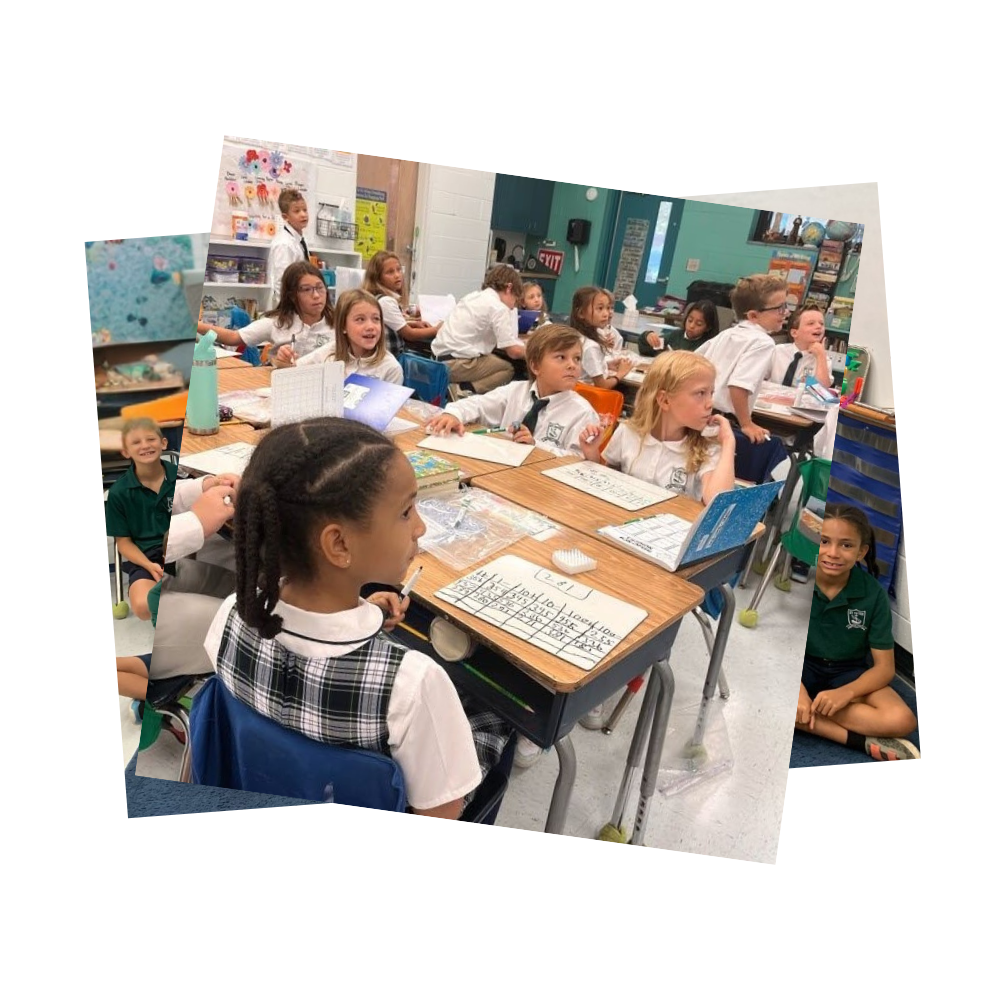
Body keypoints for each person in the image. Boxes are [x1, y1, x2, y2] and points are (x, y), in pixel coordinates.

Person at [202, 418, 515, 819]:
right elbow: (442, 811)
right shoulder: (411, 683)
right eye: (406, 512)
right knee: (500, 717)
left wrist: (365, 611)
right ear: (339, 544)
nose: (420, 527)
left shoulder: (233, 613)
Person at [798, 505, 919, 760]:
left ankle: (806, 710)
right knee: (768, 695)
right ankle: (854, 739)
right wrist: (797, 691)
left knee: (903, 720)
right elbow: (778, 650)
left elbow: (884, 668)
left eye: (846, 545)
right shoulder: (800, 580)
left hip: (848, 671)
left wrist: (847, 693)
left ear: (861, 551)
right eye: (824, 541)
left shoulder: (873, 593)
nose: (832, 553)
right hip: (800, 667)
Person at [425, 324, 599, 457]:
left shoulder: (582, 413)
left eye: (577, 359)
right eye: (561, 357)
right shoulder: (516, 391)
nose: (572, 365)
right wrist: (454, 414)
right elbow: (478, 404)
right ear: (536, 366)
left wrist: (536, 445)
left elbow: (579, 461)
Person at [696, 275, 783, 444]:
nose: (785, 312)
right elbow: (738, 387)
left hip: (701, 414)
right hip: (723, 422)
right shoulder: (763, 342)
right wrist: (747, 424)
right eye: (779, 308)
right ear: (753, 316)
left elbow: (691, 361)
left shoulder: (727, 333)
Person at [105, 418, 177, 621]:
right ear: (126, 452)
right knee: (144, 606)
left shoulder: (178, 476)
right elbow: (123, 542)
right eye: (136, 442)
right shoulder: (119, 492)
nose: (145, 445)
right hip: (144, 558)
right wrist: (149, 565)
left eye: (150, 439)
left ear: (163, 443)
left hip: (178, 551)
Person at [431, 264, 525, 397]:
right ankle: (462, 389)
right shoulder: (499, 308)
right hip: (456, 364)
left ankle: (460, 387)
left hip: (437, 359)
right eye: (515, 299)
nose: (512, 306)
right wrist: (534, 351)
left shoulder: (472, 297)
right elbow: (514, 352)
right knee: (508, 368)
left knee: (491, 357)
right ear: (509, 288)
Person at [277, 288, 404, 384]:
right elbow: (292, 370)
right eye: (360, 319)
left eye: (376, 319)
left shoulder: (391, 368)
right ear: (343, 326)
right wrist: (285, 360)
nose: (370, 326)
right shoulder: (330, 352)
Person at [214, 262, 335, 362]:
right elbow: (232, 337)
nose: (316, 295)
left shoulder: (338, 324)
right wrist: (196, 326)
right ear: (292, 296)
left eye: (320, 287)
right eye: (306, 289)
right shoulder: (279, 323)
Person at [363, 250, 440, 354]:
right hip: (393, 358)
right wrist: (437, 329)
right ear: (377, 278)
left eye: (399, 270)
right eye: (390, 272)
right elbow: (410, 334)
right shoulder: (386, 302)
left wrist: (414, 324)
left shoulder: (378, 298)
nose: (397, 275)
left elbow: (393, 325)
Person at [569, 286, 634, 391]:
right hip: (589, 399)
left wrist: (607, 365)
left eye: (608, 308)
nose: (606, 314)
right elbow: (602, 385)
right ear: (581, 313)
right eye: (600, 308)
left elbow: (585, 367)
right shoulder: (590, 346)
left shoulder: (577, 336)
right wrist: (621, 373)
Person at [267, 188, 311, 309]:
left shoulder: (299, 239)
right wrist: (289, 311)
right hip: (288, 307)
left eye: (305, 210)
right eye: (297, 211)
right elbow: (281, 282)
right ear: (285, 217)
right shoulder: (284, 244)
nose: (303, 214)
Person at [770, 305, 833, 388]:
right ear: (794, 333)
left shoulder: (824, 360)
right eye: (811, 323)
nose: (819, 326)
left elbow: (822, 389)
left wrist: (821, 356)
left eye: (821, 323)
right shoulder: (777, 351)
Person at [638, 300, 720, 356]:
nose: (691, 326)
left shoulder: (709, 345)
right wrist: (647, 336)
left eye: (698, 324)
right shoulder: (676, 335)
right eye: (690, 320)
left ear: (708, 328)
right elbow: (646, 349)